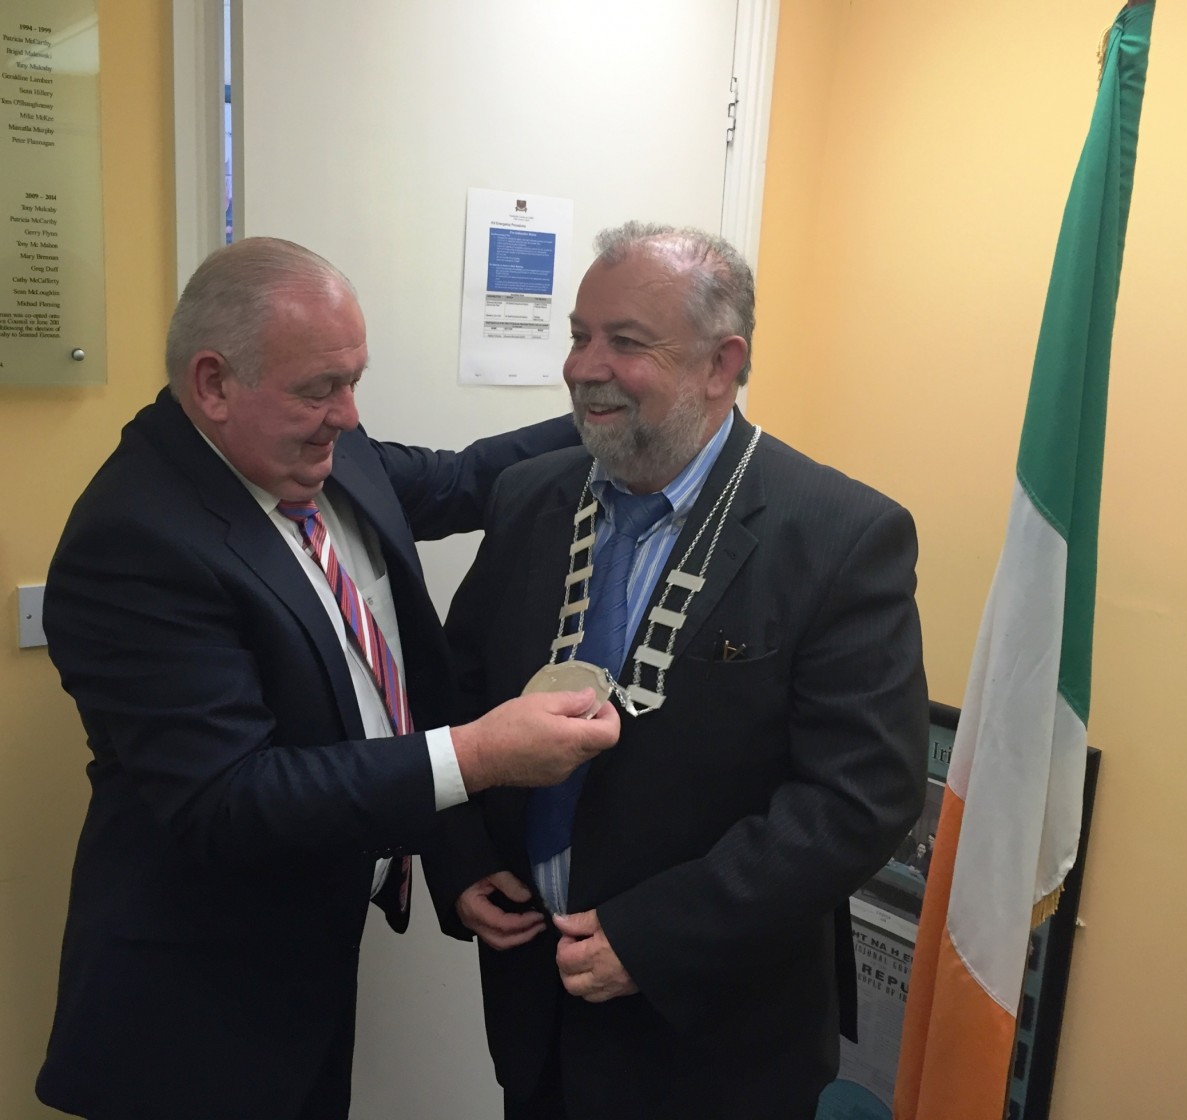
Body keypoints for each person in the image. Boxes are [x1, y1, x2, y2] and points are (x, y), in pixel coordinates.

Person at [35, 237, 619, 1120]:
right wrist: (476, 756)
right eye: (319, 388)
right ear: (213, 384)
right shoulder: (137, 540)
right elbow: (229, 796)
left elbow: (466, 480)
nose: (347, 416)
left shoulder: (321, 453)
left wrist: (609, 409)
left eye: (354, 380)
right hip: (193, 1011)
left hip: (311, 965)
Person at [424, 222, 929, 1119]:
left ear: (720, 363)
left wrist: (654, 938)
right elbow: (459, 685)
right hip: (534, 1003)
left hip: (716, 1030)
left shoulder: (840, 535)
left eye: (626, 342)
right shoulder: (531, 496)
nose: (585, 367)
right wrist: (458, 856)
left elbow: (858, 799)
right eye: (580, 335)